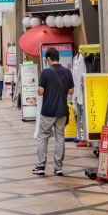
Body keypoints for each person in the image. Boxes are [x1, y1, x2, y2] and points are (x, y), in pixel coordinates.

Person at [32, 47, 75, 176]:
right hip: (62, 111)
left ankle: (40, 166)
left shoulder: (46, 72)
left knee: (43, 137)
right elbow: (71, 91)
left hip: (48, 111)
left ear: (49, 59)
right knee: (60, 138)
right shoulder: (67, 72)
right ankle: (58, 168)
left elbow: (40, 91)